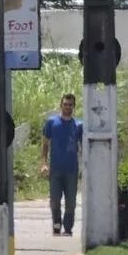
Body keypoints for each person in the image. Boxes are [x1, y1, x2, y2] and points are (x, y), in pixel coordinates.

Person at [41, 94, 84, 236]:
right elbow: (45, 144)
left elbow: (83, 147)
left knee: (71, 202)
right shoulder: (51, 123)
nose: (68, 107)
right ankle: (57, 225)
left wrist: (85, 167)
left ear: (74, 106)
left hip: (72, 169)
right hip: (55, 169)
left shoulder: (78, 125)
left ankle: (68, 228)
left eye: (70, 104)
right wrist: (44, 163)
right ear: (61, 105)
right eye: (65, 104)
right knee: (55, 200)